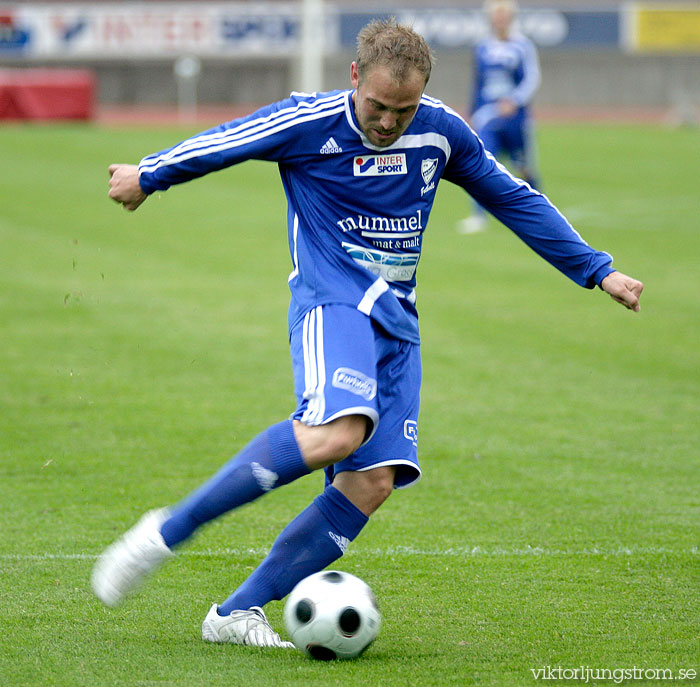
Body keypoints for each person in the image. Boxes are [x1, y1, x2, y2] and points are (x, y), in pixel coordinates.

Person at [92, 19, 643, 648]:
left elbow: (514, 198)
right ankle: (164, 533)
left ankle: (235, 612)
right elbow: (229, 141)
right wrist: (150, 173)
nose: (387, 122)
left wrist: (598, 270)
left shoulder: (442, 132)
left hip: (397, 325)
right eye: (377, 105)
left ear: (424, 95)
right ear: (354, 77)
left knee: (370, 482)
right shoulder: (309, 121)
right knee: (337, 431)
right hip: (333, 304)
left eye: (402, 110)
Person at [457, 0, 542, 234]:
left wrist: (515, 100)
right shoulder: (483, 47)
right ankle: (478, 216)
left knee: (524, 166)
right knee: (481, 163)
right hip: (487, 117)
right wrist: (472, 112)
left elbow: (532, 78)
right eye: (496, 15)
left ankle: (540, 209)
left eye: (504, 15)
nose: (500, 20)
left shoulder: (523, 46)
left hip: (515, 118)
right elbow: (478, 83)